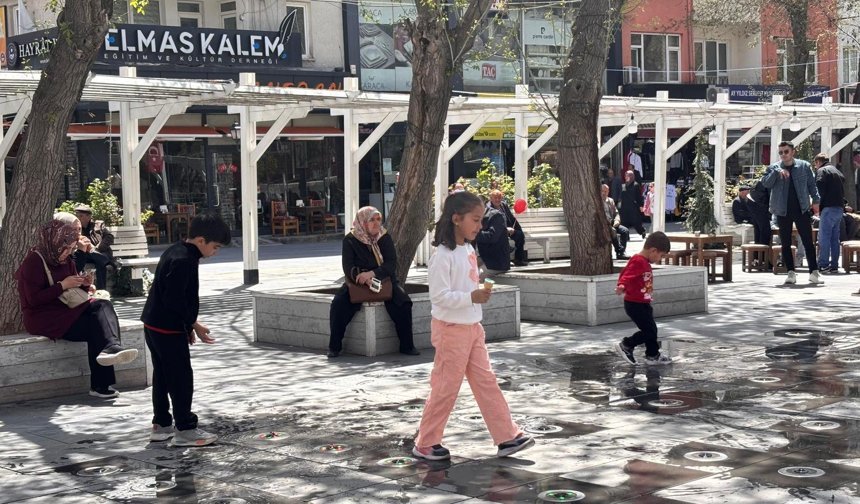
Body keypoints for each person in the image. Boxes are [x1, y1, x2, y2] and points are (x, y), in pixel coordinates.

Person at [412, 191, 534, 461]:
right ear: (456, 219)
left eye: (481, 220)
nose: (480, 226)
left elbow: (463, 288)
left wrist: (476, 293)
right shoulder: (442, 255)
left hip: (472, 327)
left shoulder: (467, 249)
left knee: (486, 381)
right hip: (451, 329)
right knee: (446, 386)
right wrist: (471, 296)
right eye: (476, 220)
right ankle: (426, 441)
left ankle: (506, 436)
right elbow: (439, 297)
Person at [15, 219, 139, 399]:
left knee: (99, 317)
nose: (68, 253)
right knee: (100, 308)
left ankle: (102, 381)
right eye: (66, 249)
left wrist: (85, 285)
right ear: (55, 242)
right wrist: (62, 285)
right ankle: (111, 350)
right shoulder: (34, 261)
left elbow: (71, 287)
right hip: (43, 318)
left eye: (72, 249)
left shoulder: (65, 259)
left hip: (66, 311)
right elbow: (33, 300)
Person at [140, 212, 232, 447]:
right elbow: (175, 300)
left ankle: (161, 424)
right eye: (215, 246)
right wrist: (195, 324)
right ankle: (185, 428)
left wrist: (186, 327)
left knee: (162, 374)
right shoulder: (184, 260)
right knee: (181, 377)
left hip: (155, 323)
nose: (215, 252)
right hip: (166, 327)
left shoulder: (176, 250)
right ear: (201, 240)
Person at [328, 207, 420, 358]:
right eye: (372, 220)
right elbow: (348, 267)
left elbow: (391, 264)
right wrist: (363, 277)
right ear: (362, 222)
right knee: (338, 304)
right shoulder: (350, 240)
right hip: (358, 280)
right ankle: (334, 347)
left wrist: (373, 274)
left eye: (378, 219)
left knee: (403, 302)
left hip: (383, 278)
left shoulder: (383, 237)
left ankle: (407, 345)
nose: (377, 223)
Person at [761, 141, 823, 285]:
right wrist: (776, 172)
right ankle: (790, 272)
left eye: (786, 151)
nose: (783, 155)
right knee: (785, 242)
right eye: (781, 152)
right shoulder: (774, 168)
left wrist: (816, 200)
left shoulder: (803, 166)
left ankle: (814, 272)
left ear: (793, 152)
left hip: (801, 208)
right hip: (782, 210)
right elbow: (766, 183)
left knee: (808, 241)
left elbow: (812, 185)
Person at [612, 231, 672, 366]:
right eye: (661, 255)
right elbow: (626, 274)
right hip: (635, 304)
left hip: (642, 302)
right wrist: (622, 285)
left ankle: (652, 354)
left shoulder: (643, 261)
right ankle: (627, 344)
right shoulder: (638, 261)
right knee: (649, 331)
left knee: (651, 330)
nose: (659, 259)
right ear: (653, 250)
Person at [814, 153, 845, 273]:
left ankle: (823, 264)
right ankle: (834, 265)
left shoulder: (822, 171)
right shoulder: (837, 172)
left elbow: (819, 186)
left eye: (815, 164)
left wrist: (817, 202)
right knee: (834, 238)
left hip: (828, 207)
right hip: (839, 208)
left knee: (824, 237)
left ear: (818, 162)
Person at [73, 204, 115, 290]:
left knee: (100, 263)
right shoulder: (76, 227)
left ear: (89, 217)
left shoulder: (98, 225)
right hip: (85, 255)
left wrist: (97, 249)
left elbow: (109, 237)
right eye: (77, 216)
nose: (78, 218)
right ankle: (107, 262)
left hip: (100, 253)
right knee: (98, 259)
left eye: (81, 216)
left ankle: (101, 291)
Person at [487, 190, 527, 266]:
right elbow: (491, 224)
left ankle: (519, 259)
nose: (497, 200)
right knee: (502, 238)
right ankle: (505, 260)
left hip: (508, 230)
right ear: (491, 198)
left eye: (499, 198)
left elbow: (511, 218)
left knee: (520, 235)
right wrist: (505, 229)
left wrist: (517, 229)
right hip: (495, 231)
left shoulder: (503, 205)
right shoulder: (488, 208)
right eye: (495, 198)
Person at [476, 199, 510, 279]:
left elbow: (492, 237)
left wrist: (473, 234)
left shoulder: (496, 215)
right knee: (462, 271)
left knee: (475, 278)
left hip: (495, 261)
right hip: (483, 257)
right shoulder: (477, 217)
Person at [602, 184, 629, 260]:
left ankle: (621, 252)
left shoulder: (610, 200)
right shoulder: (598, 202)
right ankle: (619, 251)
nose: (604, 193)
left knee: (625, 231)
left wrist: (617, 220)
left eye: (606, 191)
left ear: (608, 192)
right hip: (603, 224)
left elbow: (616, 213)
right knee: (613, 231)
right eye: (602, 191)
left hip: (612, 222)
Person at [618, 170, 646, 238]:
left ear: (632, 176)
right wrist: (619, 206)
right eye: (626, 175)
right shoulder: (623, 185)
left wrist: (641, 205)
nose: (626, 177)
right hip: (624, 208)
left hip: (633, 208)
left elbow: (639, 197)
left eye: (628, 175)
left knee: (636, 223)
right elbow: (620, 197)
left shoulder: (635, 185)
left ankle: (642, 231)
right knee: (624, 223)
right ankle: (626, 236)